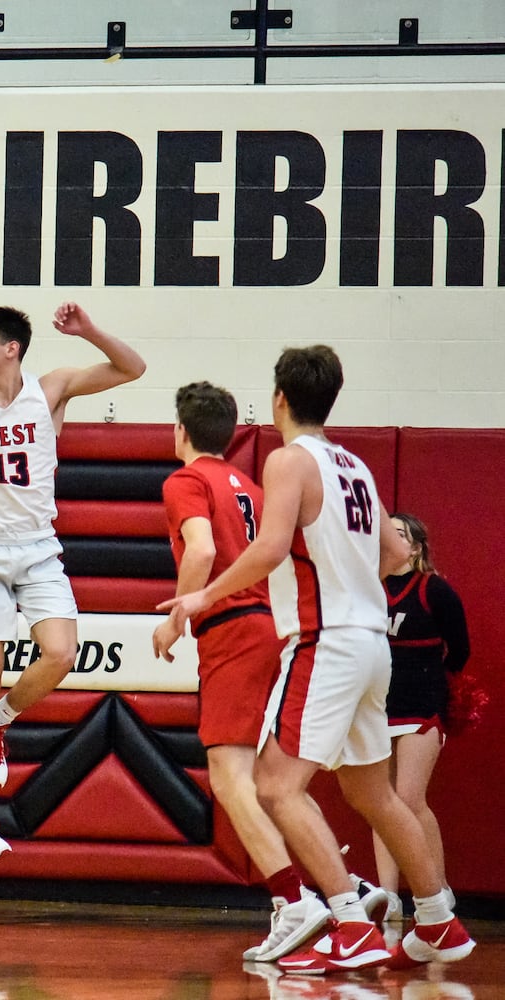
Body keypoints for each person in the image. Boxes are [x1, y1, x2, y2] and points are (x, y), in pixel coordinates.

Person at [160, 346, 474, 973]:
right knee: (373, 793)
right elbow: (392, 551)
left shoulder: (287, 461)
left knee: (275, 786)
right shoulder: (355, 465)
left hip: (325, 640)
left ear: (279, 399)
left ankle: (348, 922)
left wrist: (202, 594)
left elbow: (271, 547)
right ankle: (438, 921)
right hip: (372, 642)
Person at [0, 303, 145, 861]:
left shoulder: (51, 389)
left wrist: (89, 331)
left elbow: (133, 368)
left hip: (39, 548)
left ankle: (1, 722)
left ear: (11, 349)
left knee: (61, 654)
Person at [151, 382, 328, 962]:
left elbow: (200, 551)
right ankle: (343, 894)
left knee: (229, 778)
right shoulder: (248, 484)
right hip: (266, 627)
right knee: (265, 778)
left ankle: (292, 902)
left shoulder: (185, 480)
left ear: (180, 431)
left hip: (230, 629)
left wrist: (180, 613)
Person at [368, 512, 470, 923]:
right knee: (379, 800)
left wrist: (437, 688)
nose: (388, 541)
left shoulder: (435, 590)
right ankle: (388, 895)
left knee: (408, 798)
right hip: (376, 704)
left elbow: (460, 651)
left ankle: (438, 888)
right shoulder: (368, 590)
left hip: (423, 704)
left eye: (398, 535)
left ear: (415, 547)